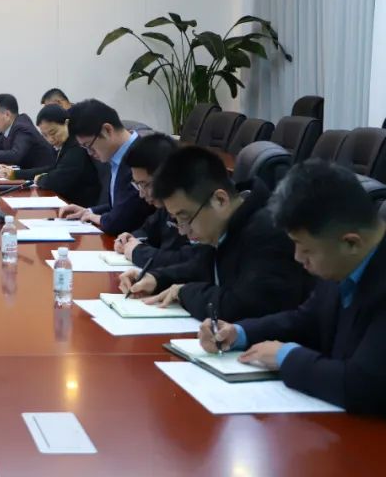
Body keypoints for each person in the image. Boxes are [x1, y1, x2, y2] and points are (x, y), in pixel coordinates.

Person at [199, 161, 386, 415]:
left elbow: (362, 385)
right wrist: (240, 333)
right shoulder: (344, 260)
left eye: (306, 249)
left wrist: (286, 356)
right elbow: (307, 319)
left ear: (351, 243)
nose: (298, 258)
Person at [119, 146, 314, 321]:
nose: (183, 231)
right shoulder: (228, 222)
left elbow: (244, 307)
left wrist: (184, 292)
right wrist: (157, 279)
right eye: (176, 219)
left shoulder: (269, 231)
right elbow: (200, 266)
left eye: (186, 218)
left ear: (220, 200)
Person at [57, 99, 154, 234]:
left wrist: (97, 218)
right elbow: (119, 205)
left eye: (89, 146)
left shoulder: (140, 157)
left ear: (107, 130)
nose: (90, 153)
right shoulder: (117, 157)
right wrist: (89, 211)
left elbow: (120, 221)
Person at [112, 132, 198, 268]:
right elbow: (147, 230)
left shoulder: (195, 205)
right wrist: (130, 239)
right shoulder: (164, 207)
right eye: (137, 185)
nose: (141, 194)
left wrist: (138, 252)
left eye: (145, 184)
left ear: (165, 176)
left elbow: (190, 261)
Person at [0, 104, 100, 207]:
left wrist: (40, 179)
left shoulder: (77, 146)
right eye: (45, 135)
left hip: (80, 207)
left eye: (53, 132)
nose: (50, 139)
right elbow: (53, 169)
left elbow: (57, 180)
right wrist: (16, 174)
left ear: (66, 123)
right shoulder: (66, 144)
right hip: (67, 202)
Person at [0, 94, 54, 169]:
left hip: (41, 177)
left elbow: (15, 155)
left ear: (7, 115)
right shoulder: (12, 126)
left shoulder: (22, 128)